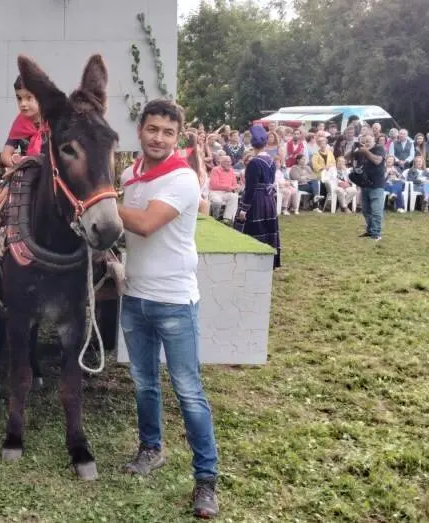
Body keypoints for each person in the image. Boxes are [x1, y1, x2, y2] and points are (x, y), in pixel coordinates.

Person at [116, 100, 219, 519]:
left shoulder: (181, 179)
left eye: (168, 132)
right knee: (144, 383)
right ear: (139, 130)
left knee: (188, 391)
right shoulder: (129, 176)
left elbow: (143, 224)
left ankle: (206, 480)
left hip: (175, 300)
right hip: (135, 296)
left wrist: (97, 202)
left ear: (178, 137)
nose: (159, 137)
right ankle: (151, 449)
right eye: (152, 129)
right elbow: (126, 234)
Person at [235, 125, 282, 266]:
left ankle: (253, 260)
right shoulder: (271, 161)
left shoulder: (254, 163)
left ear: (252, 144)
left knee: (254, 228)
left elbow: (250, 188)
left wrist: (244, 209)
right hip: (268, 199)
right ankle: (268, 260)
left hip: (257, 200)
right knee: (267, 228)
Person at [2, 75, 45, 169]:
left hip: (52, 173)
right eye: (19, 98)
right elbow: (5, 155)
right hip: (28, 172)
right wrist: (18, 164)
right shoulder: (19, 124)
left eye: (29, 98)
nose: (23, 104)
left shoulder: (56, 121)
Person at [207, 152, 239, 221]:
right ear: (221, 162)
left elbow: (235, 185)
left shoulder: (232, 171)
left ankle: (227, 219)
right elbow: (214, 185)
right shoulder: (215, 170)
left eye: (230, 161)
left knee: (234, 196)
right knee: (217, 201)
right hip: (215, 192)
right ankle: (215, 219)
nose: (229, 163)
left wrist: (236, 188)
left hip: (227, 193)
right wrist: (229, 188)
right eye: (226, 162)